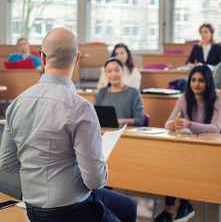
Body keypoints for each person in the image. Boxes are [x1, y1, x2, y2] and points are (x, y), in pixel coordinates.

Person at [0, 28, 137, 222]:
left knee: (128, 206)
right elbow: (95, 180)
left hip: (32, 207)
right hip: (71, 211)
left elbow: (6, 163)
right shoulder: (81, 107)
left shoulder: (16, 103)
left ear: (43, 58)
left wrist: (37, 164)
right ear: (77, 58)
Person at [154, 65, 221, 222]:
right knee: (174, 163)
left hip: (208, 149)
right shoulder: (184, 97)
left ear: (208, 83)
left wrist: (189, 124)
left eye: (201, 80)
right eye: (193, 80)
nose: (196, 84)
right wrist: (171, 125)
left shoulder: (217, 100)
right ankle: (182, 206)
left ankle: (170, 210)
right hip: (185, 148)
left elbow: (216, 129)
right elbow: (168, 122)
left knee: (177, 163)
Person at [95, 57, 144, 126]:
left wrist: (119, 121)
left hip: (125, 133)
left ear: (123, 71)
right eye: (109, 71)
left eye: (117, 70)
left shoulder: (133, 92)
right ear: (105, 74)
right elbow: (95, 116)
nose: (113, 74)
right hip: (104, 132)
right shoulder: (101, 92)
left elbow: (139, 120)